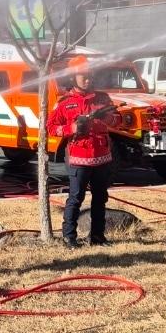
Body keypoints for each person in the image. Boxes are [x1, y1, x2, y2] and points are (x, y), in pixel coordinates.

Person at [46, 58, 122, 247]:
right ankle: (69, 236)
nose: (87, 79)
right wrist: (71, 128)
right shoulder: (65, 103)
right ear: (73, 77)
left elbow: (118, 121)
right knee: (76, 197)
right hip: (79, 158)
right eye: (83, 76)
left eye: (89, 76)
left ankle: (97, 236)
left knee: (100, 197)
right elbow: (51, 127)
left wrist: (107, 118)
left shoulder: (103, 99)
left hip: (102, 156)